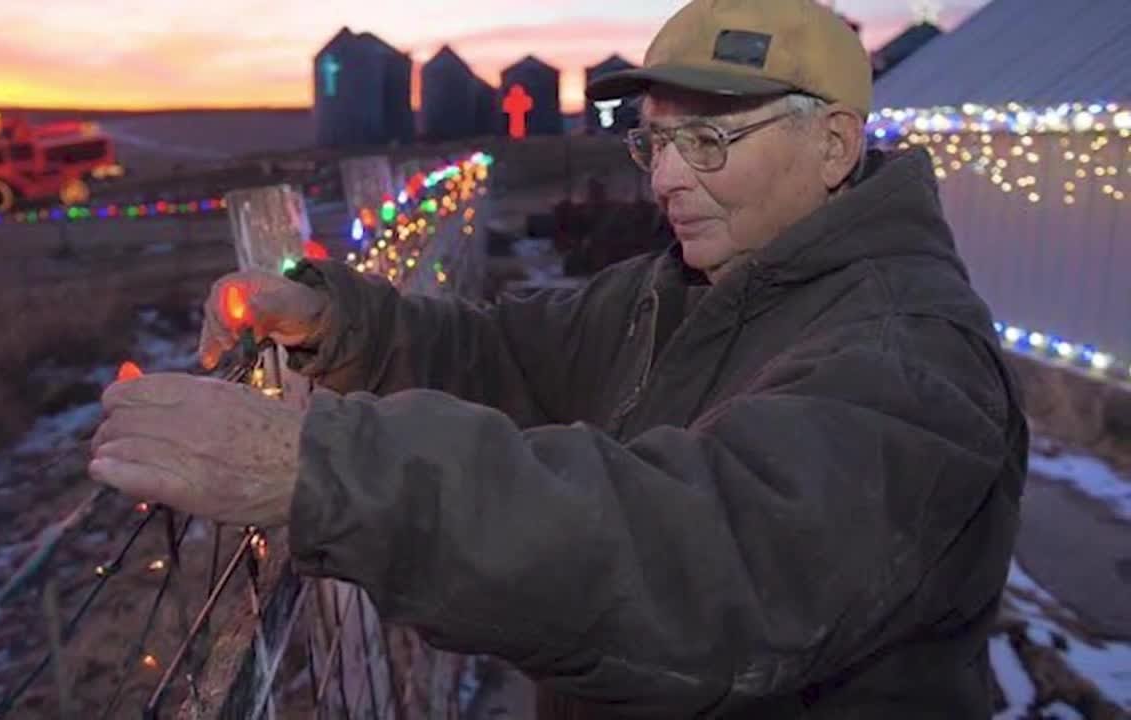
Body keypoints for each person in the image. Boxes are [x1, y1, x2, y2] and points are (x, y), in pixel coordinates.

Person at [89, 0, 1028, 716]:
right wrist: (342, 323)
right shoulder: (682, 289)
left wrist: (316, 470)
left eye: (708, 138)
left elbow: (691, 559)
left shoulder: (910, 360)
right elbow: (502, 352)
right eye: (654, 141)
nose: (665, 177)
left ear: (833, 144)